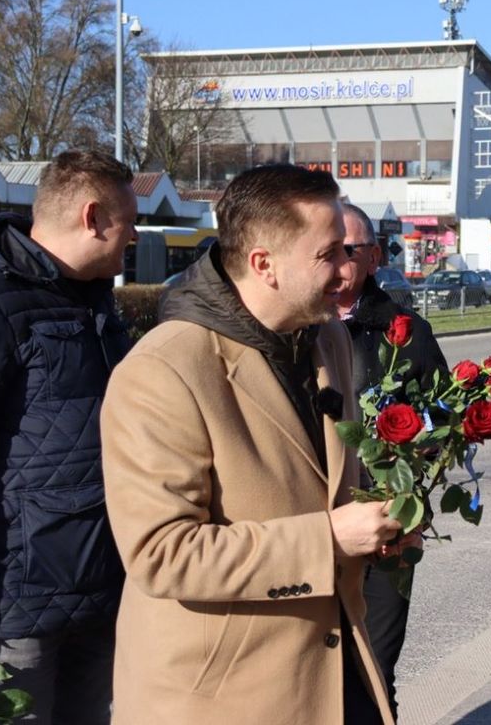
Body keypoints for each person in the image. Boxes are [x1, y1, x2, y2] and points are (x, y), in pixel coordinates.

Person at [100, 165, 400, 725]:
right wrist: (329, 537)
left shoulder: (325, 338)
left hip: (334, 673)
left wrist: (380, 524)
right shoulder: (163, 369)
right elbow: (163, 555)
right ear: (264, 263)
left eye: (349, 251)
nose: (349, 269)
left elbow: (326, 481)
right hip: (224, 698)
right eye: (330, 253)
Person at [0, 150, 136, 725]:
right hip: (11, 616)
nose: (135, 235)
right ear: (92, 217)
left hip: (97, 594)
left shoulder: (93, 297)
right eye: (128, 220)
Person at [336, 202, 448, 718]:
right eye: (322, 248)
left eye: (347, 249)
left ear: (374, 257)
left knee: (376, 673)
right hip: (316, 525)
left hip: (387, 528)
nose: (333, 260)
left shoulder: (408, 332)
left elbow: (445, 417)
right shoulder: (291, 328)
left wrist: (415, 459)